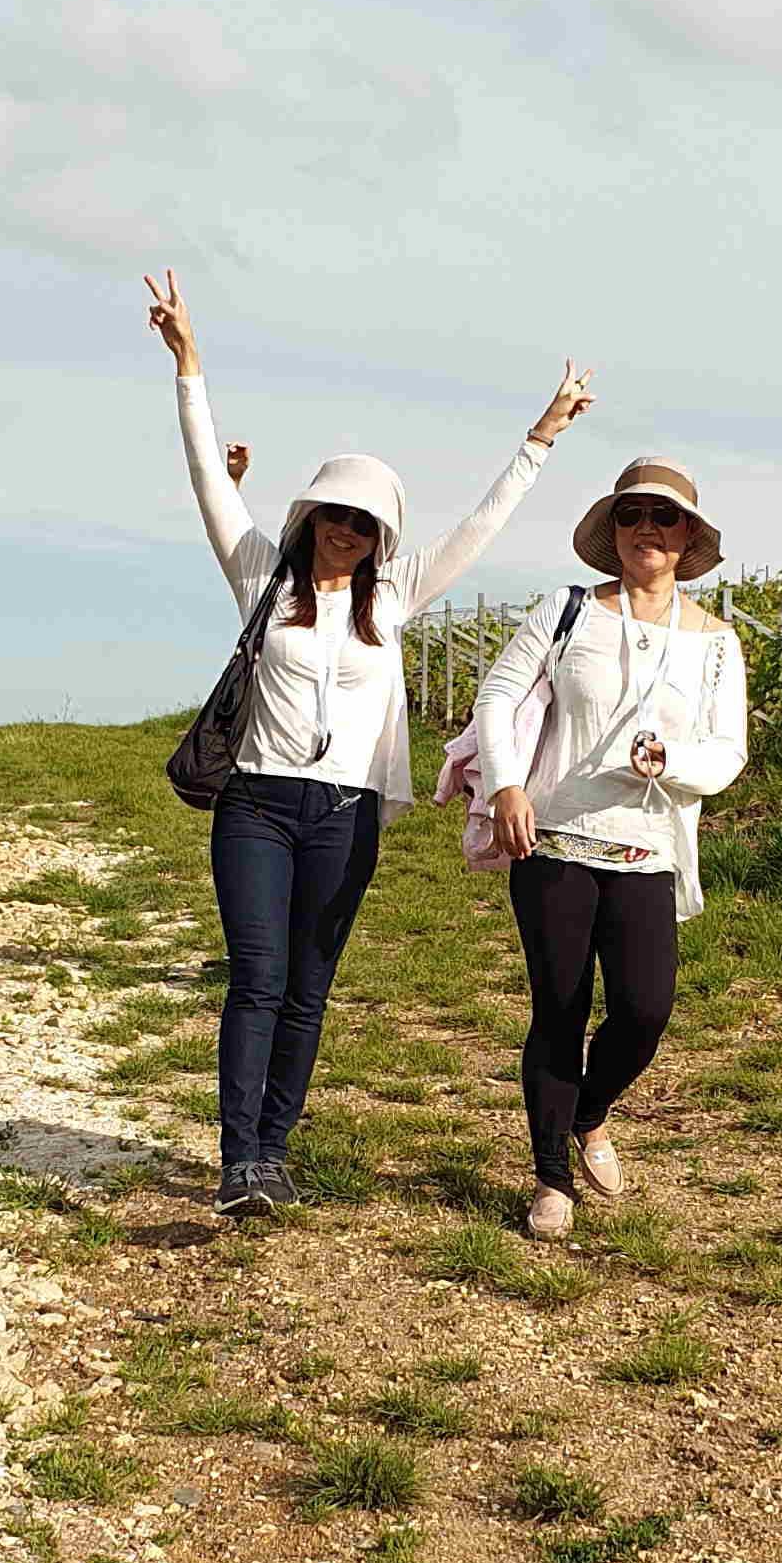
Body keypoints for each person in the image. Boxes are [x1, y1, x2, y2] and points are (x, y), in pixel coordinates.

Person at [147, 268, 593, 1218]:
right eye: (334, 515)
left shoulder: (393, 599)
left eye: (364, 522)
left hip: (346, 815)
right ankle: (237, 1162)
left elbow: (484, 522)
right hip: (257, 804)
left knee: (309, 989)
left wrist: (542, 438)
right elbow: (202, 478)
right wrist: (189, 365)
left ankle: (273, 1151)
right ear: (308, 516)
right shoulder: (260, 571)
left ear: (381, 535)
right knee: (258, 977)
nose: (345, 531)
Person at [472, 458, 748, 1239]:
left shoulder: (718, 643)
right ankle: (550, 1180)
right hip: (552, 841)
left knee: (644, 1010)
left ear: (689, 535)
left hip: (647, 849)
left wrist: (676, 764)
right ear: (613, 530)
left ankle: (590, 1112)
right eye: (631, 516)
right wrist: (507, 786)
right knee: (558, 1011)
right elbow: (498, 695)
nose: (647, 531)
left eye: (664, 518)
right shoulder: (566, 611)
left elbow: (729, 751)